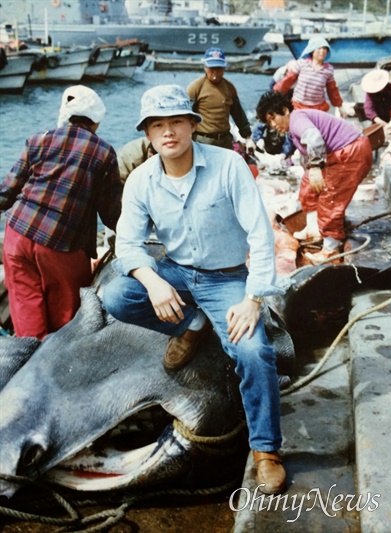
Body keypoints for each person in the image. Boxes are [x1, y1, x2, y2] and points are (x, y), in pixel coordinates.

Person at [102, 84, 287, 495]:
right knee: (115, 296)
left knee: (254, 351)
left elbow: (260, 234)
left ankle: (266, 450)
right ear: (147, 135)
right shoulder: (141, 181)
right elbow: (127, 245)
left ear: (192, 126)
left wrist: (253, 298)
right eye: (158, 125)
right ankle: (192, 321)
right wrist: (152, 282)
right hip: (177, 272)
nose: (169, 132)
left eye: (176, 122)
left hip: (227, 276)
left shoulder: (228, 165)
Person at [0, 85, 123, 339]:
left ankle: (25, 365)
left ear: (66, 115)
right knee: (64, 320)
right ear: (96, 121)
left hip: (18, 236)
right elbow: (111, 213)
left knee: (25, 312)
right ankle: (54, 367)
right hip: (61, 245)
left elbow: (6, 193)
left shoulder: (39, 140)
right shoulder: (104, 152)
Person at [256, 91, 373, 265]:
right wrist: (310, 170)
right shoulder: (293, 126)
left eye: (273, 118)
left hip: (350, 152)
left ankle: (330, 248)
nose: (273, 125)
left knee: (330, 198)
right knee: (308, 187)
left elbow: (314, 139)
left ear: (285, 110)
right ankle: (313, 229)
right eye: (269, 122)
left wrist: (316, 166)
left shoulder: (296, 119)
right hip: (338, 154)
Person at [187, 47, 256, 153]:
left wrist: (248, 138)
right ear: (205, 67)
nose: (215, 73)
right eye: (212, 68)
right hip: (202, 140)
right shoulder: (196, 87)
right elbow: (187, 116)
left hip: (225, 141)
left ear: (224, 68)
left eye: (219, 68)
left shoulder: (229, 88)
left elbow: (239, 115)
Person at [273, 35, 346, 116]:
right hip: (298, 106)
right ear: (312, 50)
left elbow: (332, 90)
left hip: (318, 108)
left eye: (325, 49)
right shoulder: (301, 64)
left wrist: (340, 106)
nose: (322, 51)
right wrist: (275, 93)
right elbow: (288, 80)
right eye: (319, 48)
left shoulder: (328, 70)